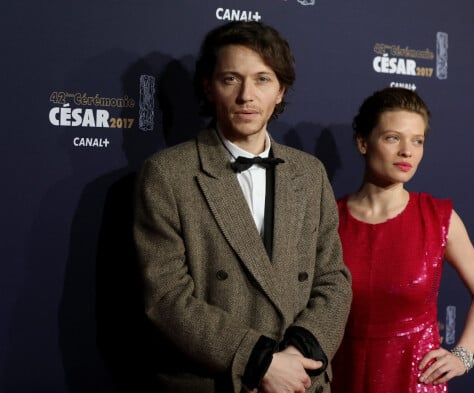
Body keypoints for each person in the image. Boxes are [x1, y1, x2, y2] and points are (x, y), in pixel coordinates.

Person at [133, 21, 352, 393]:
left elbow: (334, 279)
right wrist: (260, 362)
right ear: (209, 87)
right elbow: (166, 298)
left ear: (280, 90)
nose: (246, 96)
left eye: (263, 80)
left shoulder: (310, 172)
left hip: (301, 380)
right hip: (218, 382)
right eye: (231, 79)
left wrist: (300, 354)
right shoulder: (169, 173)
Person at [330, 87, 474, 392]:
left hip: (415, 381)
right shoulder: (329, 219)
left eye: (417, 141)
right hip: (343, 375)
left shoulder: (438, 218)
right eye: (393, 138)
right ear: (363, 142)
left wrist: (463, 355)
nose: (407, 151)